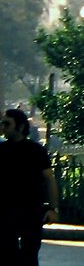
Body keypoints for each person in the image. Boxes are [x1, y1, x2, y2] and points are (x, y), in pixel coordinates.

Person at [0, 108, 60, 266]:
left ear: (20, 127)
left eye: (7, 124)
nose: (3, 127)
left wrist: (53, 208)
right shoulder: (1, 150)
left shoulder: (36, 151)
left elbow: (49, 179)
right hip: (5, 211)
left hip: (31, 211)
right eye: (2, 124)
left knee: (30, 254)